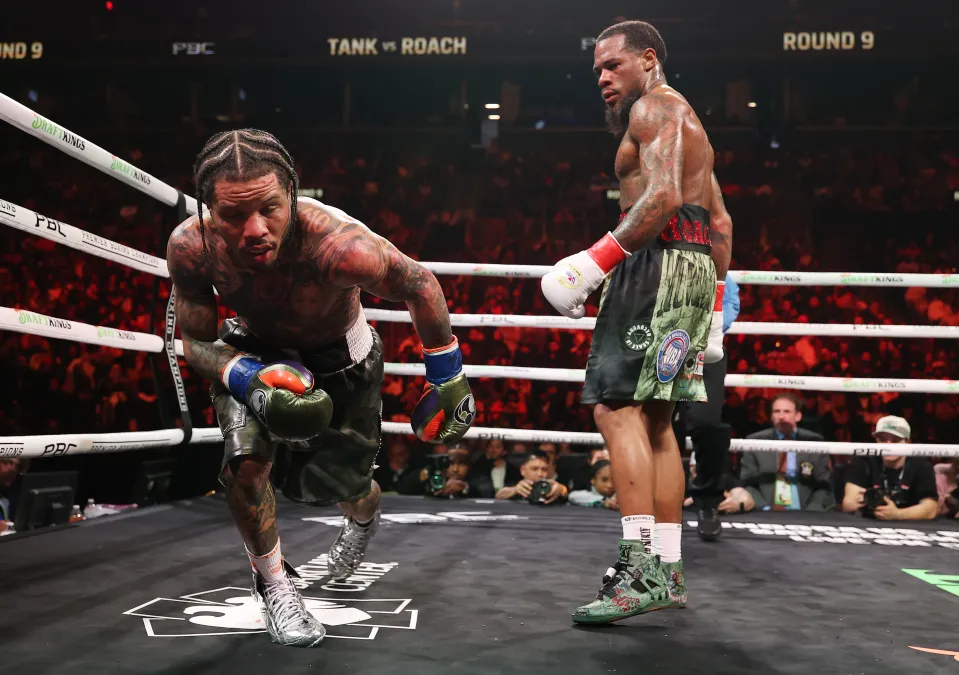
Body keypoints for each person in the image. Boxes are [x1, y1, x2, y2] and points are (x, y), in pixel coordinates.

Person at [167, 129, 475, 648]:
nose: (254, 230)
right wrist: (249, 378)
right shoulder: (192, 248)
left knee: (343, 490)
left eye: (269, 208)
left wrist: (449, 377)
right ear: (207, 210)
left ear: (293, 194)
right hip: (253, 351)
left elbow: (420, 283)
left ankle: (361, 517)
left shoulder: (340, 248)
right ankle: (274, 584)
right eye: (233, 215)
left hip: (342, 360)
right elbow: (193, 342)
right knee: (245, 467)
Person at [540, 20, 732, 623]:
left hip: (655, 266)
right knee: (655, 419)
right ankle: (668, 569)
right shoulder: (686, 119)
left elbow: (662, 197)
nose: (601, 78)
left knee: (614, 407)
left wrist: (591, 264)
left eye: (611, 66)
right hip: (692, 265)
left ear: (647, 60)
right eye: (596, 69)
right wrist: (716, 305)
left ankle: (639, 569)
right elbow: (720, 221)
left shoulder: (655, 109)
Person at [677, 273, 739, 540]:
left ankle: (707, 502)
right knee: (661, 426)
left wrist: (698, 333)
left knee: (708, 424)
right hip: (659, 348)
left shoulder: (717, 264)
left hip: (704, 351)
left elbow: (730, 304)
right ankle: (660, 500)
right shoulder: (656, 257)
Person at [737, 393, 833, 512]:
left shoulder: (814, 441)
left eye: (786, 411)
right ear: (772, 416)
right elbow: (748, 483)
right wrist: (764, 508)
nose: (781, 416)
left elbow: (823, 484)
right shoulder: (755, 441)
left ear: (798, 416)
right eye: (777, 411)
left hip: (806, 511)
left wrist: (812, 511)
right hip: (766, 511)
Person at [841, 416, 938, 521]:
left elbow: (931, 509)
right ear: (876, 440)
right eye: (883, 439)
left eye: (895, 440)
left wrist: (898, 514)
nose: (888, 445)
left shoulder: (921, 464)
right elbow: (848, 504)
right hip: (869, 523)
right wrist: (864, 500)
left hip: (909, 526)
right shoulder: (863, 459)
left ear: (908, 442)